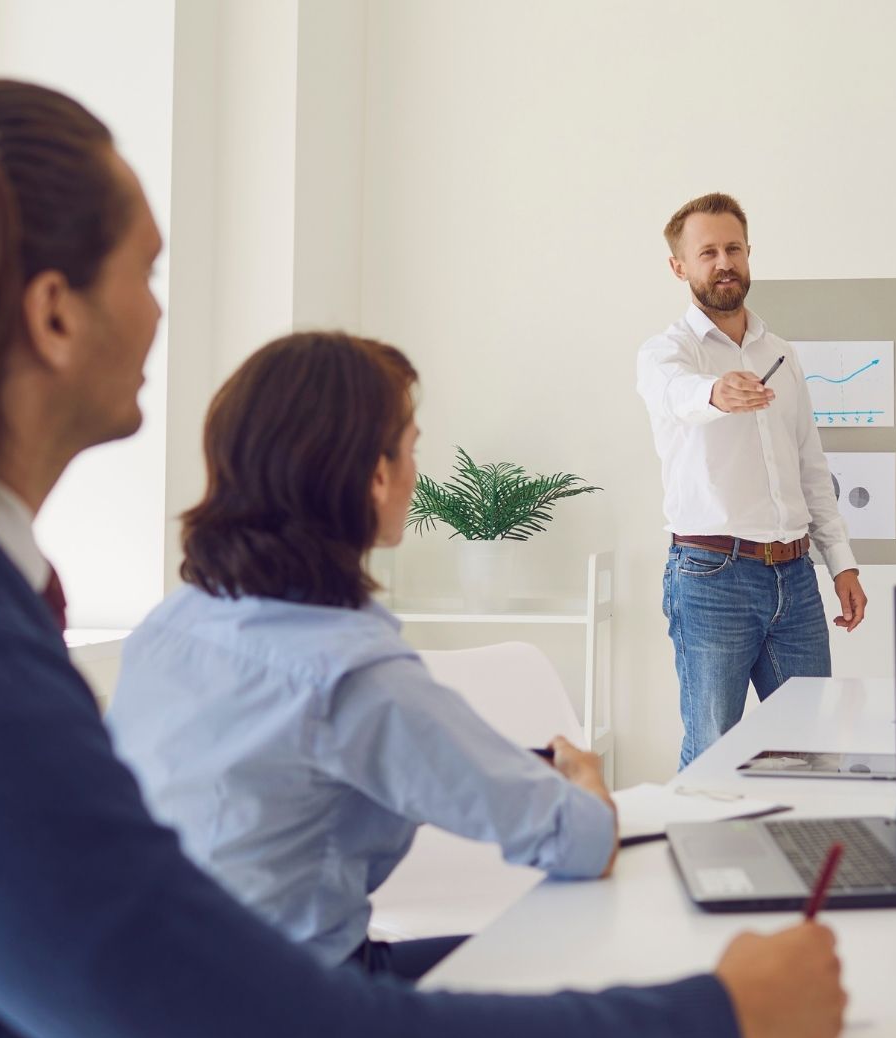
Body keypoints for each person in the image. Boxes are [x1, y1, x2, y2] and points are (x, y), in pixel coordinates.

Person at [0, 80, 845, 1038]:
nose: (162, 310)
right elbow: (246, 1037)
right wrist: (717, 1022)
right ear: (54, 312)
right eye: (148, 270)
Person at [106, 331, 617, 978]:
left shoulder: (171, 625)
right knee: (590, 959)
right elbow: (583, 841)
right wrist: (587, 777)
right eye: (412, 449)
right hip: (296, 1002)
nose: (415, 472)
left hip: (150, 983)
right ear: (377, 476)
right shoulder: (352, 676)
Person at [637, 192, 868, 767]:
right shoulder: (666, 353)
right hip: (711, 578)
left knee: (813, 749)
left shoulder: (781, 353)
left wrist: (842, 563)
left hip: (796, 576)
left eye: (734, 249)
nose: (724, 263)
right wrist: (716, 392)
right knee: (714, 753)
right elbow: (677, 395)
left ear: (748, 253)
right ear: (679, 267)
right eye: (708, 252)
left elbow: (811, 466)